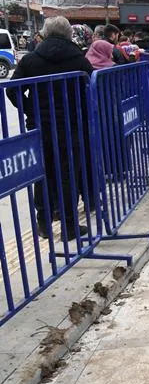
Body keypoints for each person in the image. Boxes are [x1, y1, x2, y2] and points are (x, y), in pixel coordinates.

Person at [7, 16, 95, 241]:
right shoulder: (79, 59)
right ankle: (70, 226)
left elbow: (12, 90)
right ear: (68, 34)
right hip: (71, 125)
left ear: (44, 33)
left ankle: (44, 223)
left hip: (40, 126)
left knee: (42, 173)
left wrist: (31, 110)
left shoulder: (30, 60)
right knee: (68, 175)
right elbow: (91, 90)